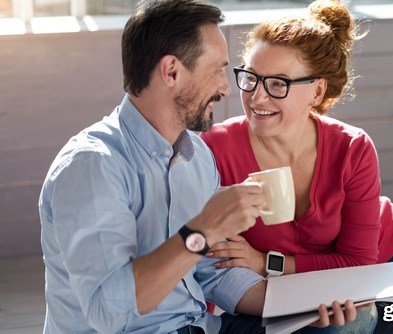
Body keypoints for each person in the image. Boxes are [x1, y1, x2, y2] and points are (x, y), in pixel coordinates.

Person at [38, 1, 361, 333]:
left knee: (338, 325)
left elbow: (216, 272)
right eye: (216, 71)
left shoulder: (197, 157)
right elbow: (108, 313)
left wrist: (302, 304)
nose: (225, 87)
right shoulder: (93, 166)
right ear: (172, 71)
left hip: (200, 326)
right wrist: (201, 231)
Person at [200, 0, 393, 333]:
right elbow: (212, 263)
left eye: (277, 84)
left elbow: (358, 262)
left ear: (317, 91)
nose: (257, 97)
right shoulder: (215, 150)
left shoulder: (352, 147)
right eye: (251, 78)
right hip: (345, 299)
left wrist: (266, 263)